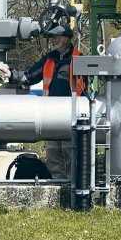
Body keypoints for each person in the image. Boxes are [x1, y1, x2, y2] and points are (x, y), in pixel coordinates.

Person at [9, 24, 84, 179]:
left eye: (55, 37)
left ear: (65, 40)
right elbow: (29, 76)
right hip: (51, 114)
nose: (52, 41)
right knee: (54, 155)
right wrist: (10, 74)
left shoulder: (79, 58)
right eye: (51, 38)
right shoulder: (49, 59)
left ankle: (72, 189)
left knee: (72, 155)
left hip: (72, 115)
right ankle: (56, 186)